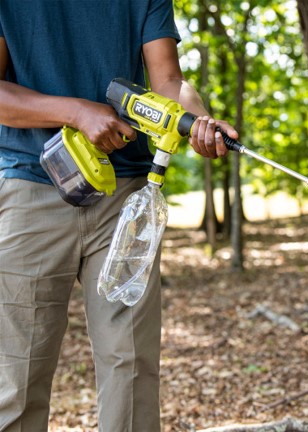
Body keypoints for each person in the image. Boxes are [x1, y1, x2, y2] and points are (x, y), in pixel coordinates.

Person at [0, 1, 238, 431]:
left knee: (130, 367)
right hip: (30, 191)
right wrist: (75, 112)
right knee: (18, 376)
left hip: (124, 199)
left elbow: (168, 81)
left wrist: (196, 119)